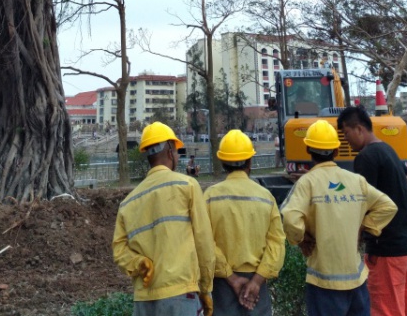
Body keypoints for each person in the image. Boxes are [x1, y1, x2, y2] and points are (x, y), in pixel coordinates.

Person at [280, 120, 397, 316]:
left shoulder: (307, 182)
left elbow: (289, 218)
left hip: (324, 281)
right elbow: (388, 206)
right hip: (357, 279)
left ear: (308, 148)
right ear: (336, 150)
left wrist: (301, 239)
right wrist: (363, 227)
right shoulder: (356, 181)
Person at [112, 121, 215, 316]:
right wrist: (205, 289)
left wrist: (138, 262)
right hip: (181, 295)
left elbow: (119, 250)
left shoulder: (128, 202)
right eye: (176, 151)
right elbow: (204, 243)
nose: (177, 155)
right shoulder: (188, 186)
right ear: (169, 152)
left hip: (143, 301)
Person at [337, 105, 407, 316]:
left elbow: (362, 206)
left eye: (346, 133)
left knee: (386, 310)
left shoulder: (366, 157)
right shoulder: (388, 149)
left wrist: (354, 241)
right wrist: (401, 204)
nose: (345, 140)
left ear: (359, 129)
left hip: (388, 253)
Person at [204, 130, 285, 316]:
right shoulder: (266, 197)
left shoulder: (209, 197)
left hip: (222, 284)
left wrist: (231, 278)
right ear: (250, 162)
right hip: (258, 282)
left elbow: (204, 243)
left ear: (223, 163)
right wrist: (257, 281)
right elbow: (277, 243)